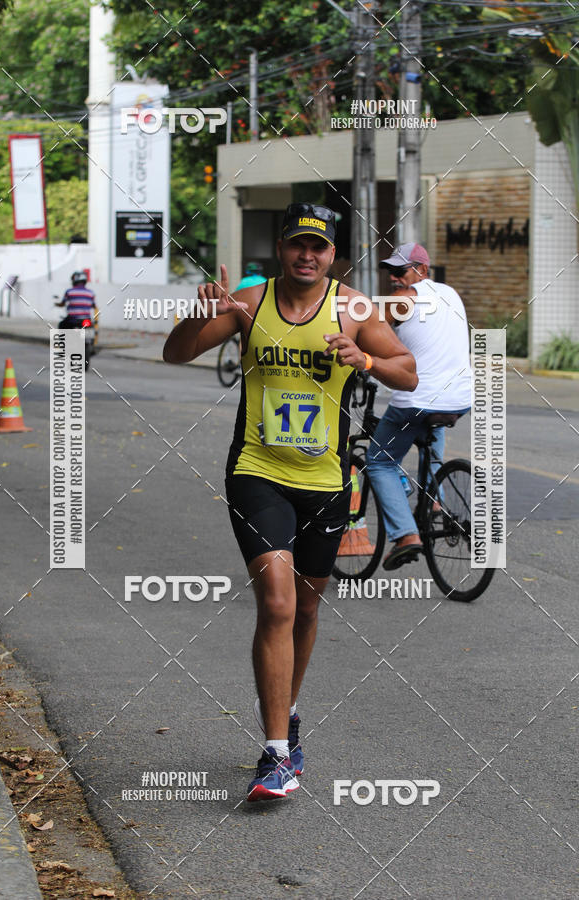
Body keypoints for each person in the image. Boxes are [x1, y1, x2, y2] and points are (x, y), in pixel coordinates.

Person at [163, 203, 417, 801]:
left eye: (320, 247)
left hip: (326, 482)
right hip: (258, 471)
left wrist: (369, 360)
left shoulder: (356, 309)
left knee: (305, 610)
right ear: (281, 247)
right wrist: (195, 316)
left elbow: (408, 372)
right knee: (276, 604)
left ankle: (289, 709)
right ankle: (277, 753)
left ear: (334, 255)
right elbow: (178, 353)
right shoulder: (249, 302)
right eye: (298, 243)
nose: (308, 254)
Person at [365, 242, 472, 571]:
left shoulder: (405, 299)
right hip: (460, 398)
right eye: (390, 272)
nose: (394, 278)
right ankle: (433, 499)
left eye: (401, 271)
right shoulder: (449, 294)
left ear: (422, 271)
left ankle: (406, 536)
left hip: (418, 399)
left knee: (379, 462)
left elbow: (362, 325)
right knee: (429, 428)